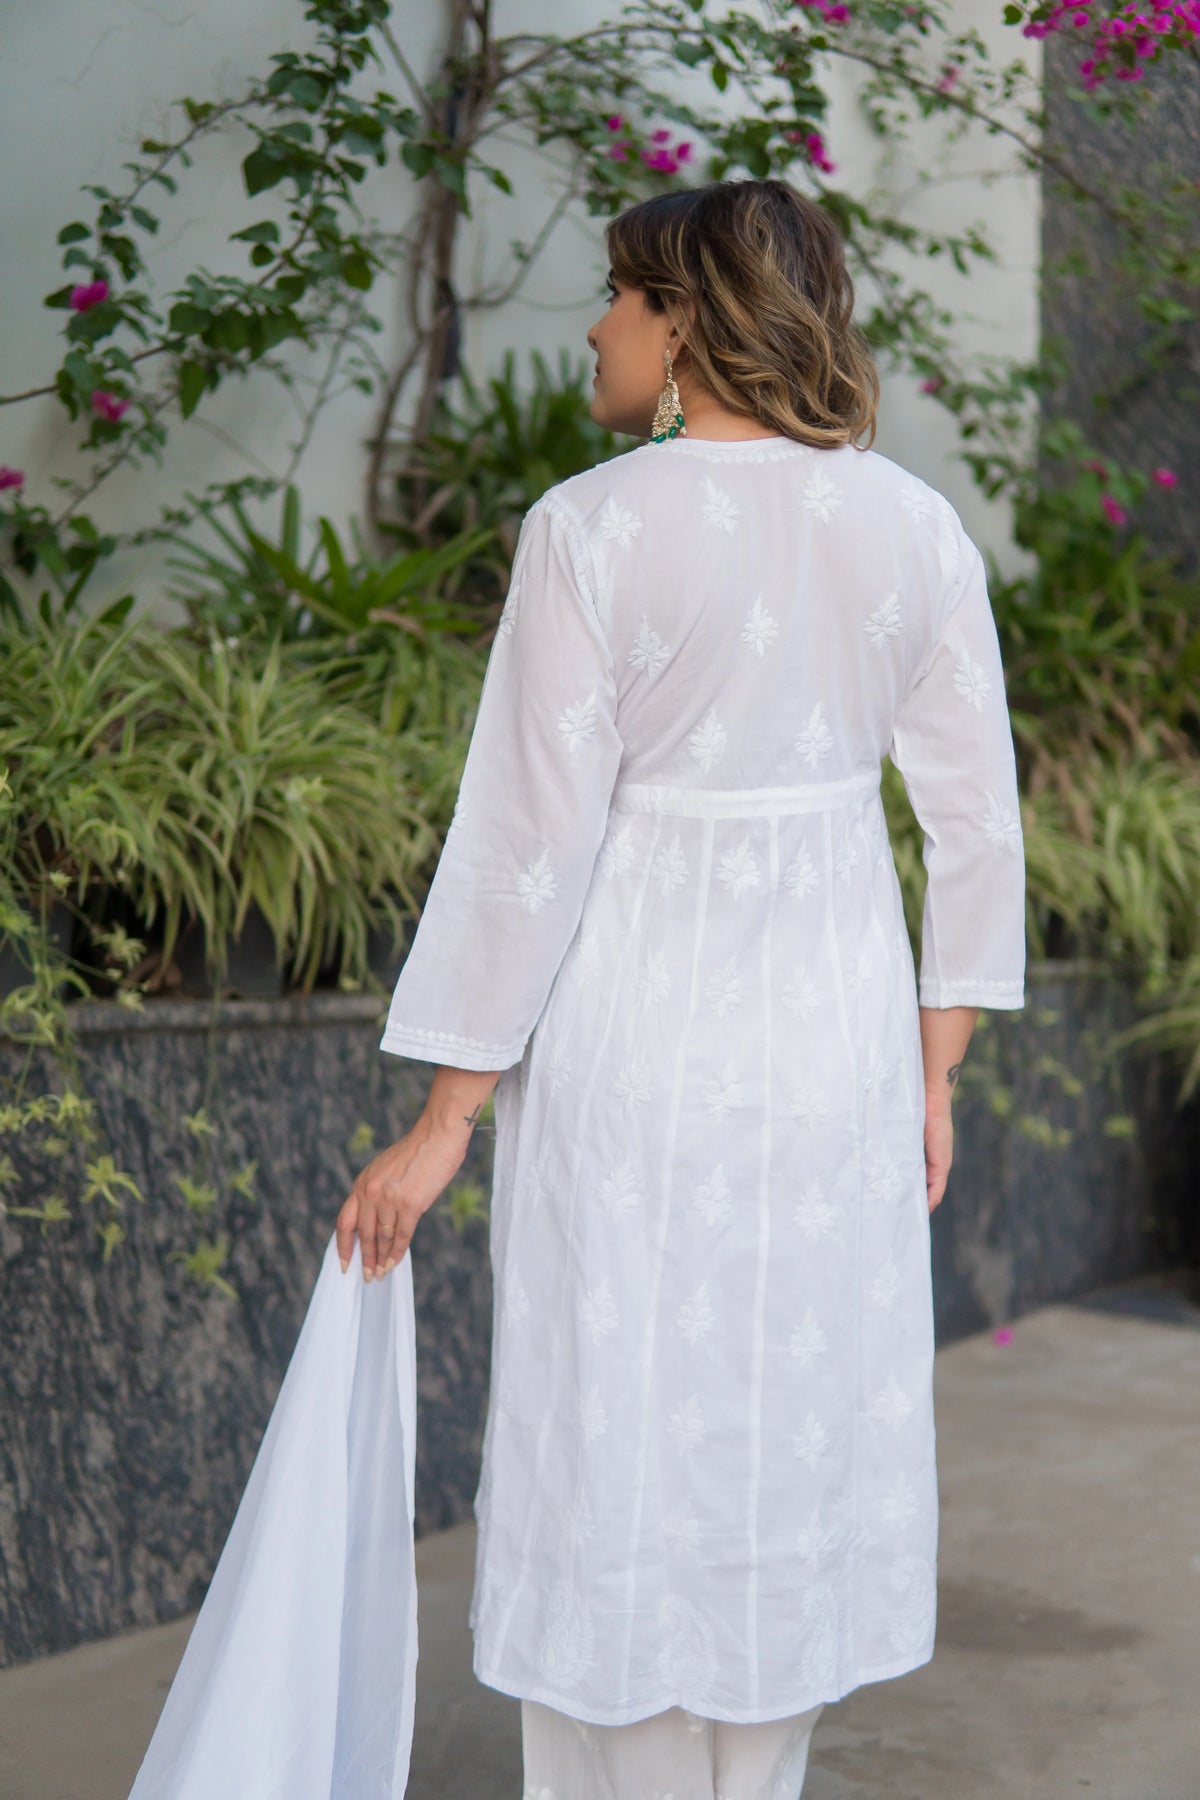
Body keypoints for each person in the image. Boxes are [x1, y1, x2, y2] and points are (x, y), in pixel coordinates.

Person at [346, 176, 1026, 1798]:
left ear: (687, 321)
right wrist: (927, 1078)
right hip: (831, 1045)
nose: (595, 325)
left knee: (617, 1420)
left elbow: (527, 841)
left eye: (620, 296)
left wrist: (450, 1111)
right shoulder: (915, 528)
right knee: (789, 1418)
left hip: (635, 1039)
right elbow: (978, 830)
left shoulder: (590, 528)